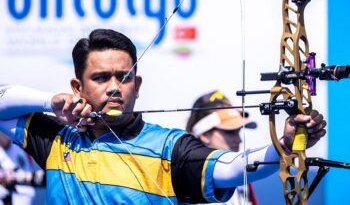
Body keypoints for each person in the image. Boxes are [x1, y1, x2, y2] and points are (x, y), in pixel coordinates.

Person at [0, 29, 326, 204]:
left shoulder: (169, 148)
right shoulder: (56, 138)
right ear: (78, 86)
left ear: (137, 86)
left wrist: (286, 142)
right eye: (101, 78)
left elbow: (236, 168)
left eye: (124, 77)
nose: (115, 88)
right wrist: (49, 102)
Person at [186, 90, 259, 204]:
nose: (239, 139)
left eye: (238, 131)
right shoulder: (184, 179)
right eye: (230, 132)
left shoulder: (242, 178)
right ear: (204, 134)